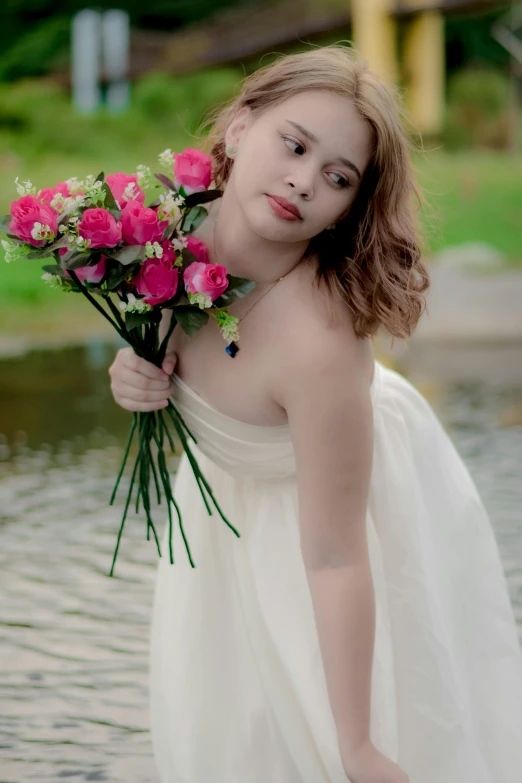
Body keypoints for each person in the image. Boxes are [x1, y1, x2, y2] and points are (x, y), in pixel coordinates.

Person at [108, 45, 522, 783]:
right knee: (224, 732)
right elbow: (158, 351)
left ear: (349, 208)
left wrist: (357, 744)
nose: (303, 181)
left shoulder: (318, 343)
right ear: (239, 129)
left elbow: (335, 559)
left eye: (337, 177)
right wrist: (132, 374)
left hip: (334, 506)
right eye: (293, 144)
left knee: (322, 739)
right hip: (220, 512)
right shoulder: (159, 238)